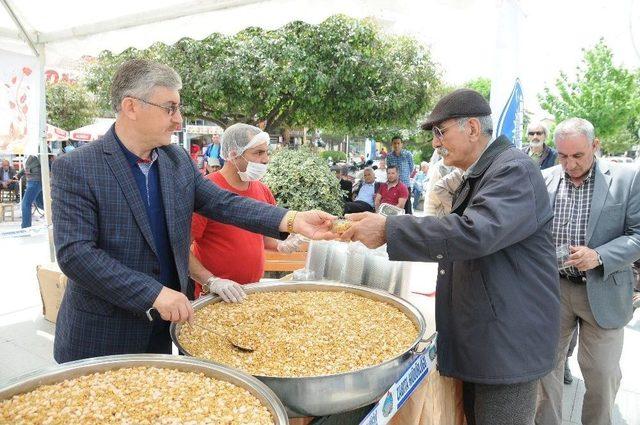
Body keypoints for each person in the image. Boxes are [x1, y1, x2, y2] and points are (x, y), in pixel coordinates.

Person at [50, 59, 335, 363]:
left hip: (160, 332)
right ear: (131, 106)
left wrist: (291, 219)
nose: (179, 120)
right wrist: (153, 294)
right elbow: (76, 255)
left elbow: (223, 202)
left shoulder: (176, 160)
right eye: (170, 108)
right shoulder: (77, 167)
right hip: (100, 336)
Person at [341, 89, 559, 425]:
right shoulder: (486, 169)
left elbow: (473, 233)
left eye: (440, 133)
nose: (435, 144)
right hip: (489, 337)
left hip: (508, 346)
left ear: (472, 128)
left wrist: (389, 230)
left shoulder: (512, 169)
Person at [535, 118, 640, 425]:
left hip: (605, 288)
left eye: (578, 155)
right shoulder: (544, 179)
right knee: (545, 367)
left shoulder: (627, 179)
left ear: (595, 146)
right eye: (563, 156)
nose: (570, 164)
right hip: (554, 288)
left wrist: (599, 255)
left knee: (603, 373)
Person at [189, 123, 302, 300]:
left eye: (266, 152)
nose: (266, 159)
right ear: (233, 154)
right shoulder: (206, 192)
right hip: (215, 297)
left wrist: (281, 244)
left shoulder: (263, 190)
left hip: (252, 293)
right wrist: (211, 281)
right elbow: (180, 249)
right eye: (258, 153)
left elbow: (263, 237)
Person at [15, 152, 48, 228]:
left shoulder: (35, 150)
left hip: (35, 181)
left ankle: (26, 227)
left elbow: (41, 164)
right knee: (40, 204)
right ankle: (57, 215)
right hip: (34, 181)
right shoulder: (29, 153)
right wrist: (19, 174)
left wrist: (20, 174)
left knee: (25, 203)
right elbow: (27, 166)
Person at [385, 136, 414, 214]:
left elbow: (411, 168)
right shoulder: (389, 156)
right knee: (395, 208)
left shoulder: (407, 154)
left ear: (402, 144)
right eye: (394, 143)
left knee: (407, 207)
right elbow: (389, 170)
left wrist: (405, 177)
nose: (396, 145)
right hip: (394, 186)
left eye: (398, 143)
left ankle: (409, 225)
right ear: (392, 144)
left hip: (405, 185)